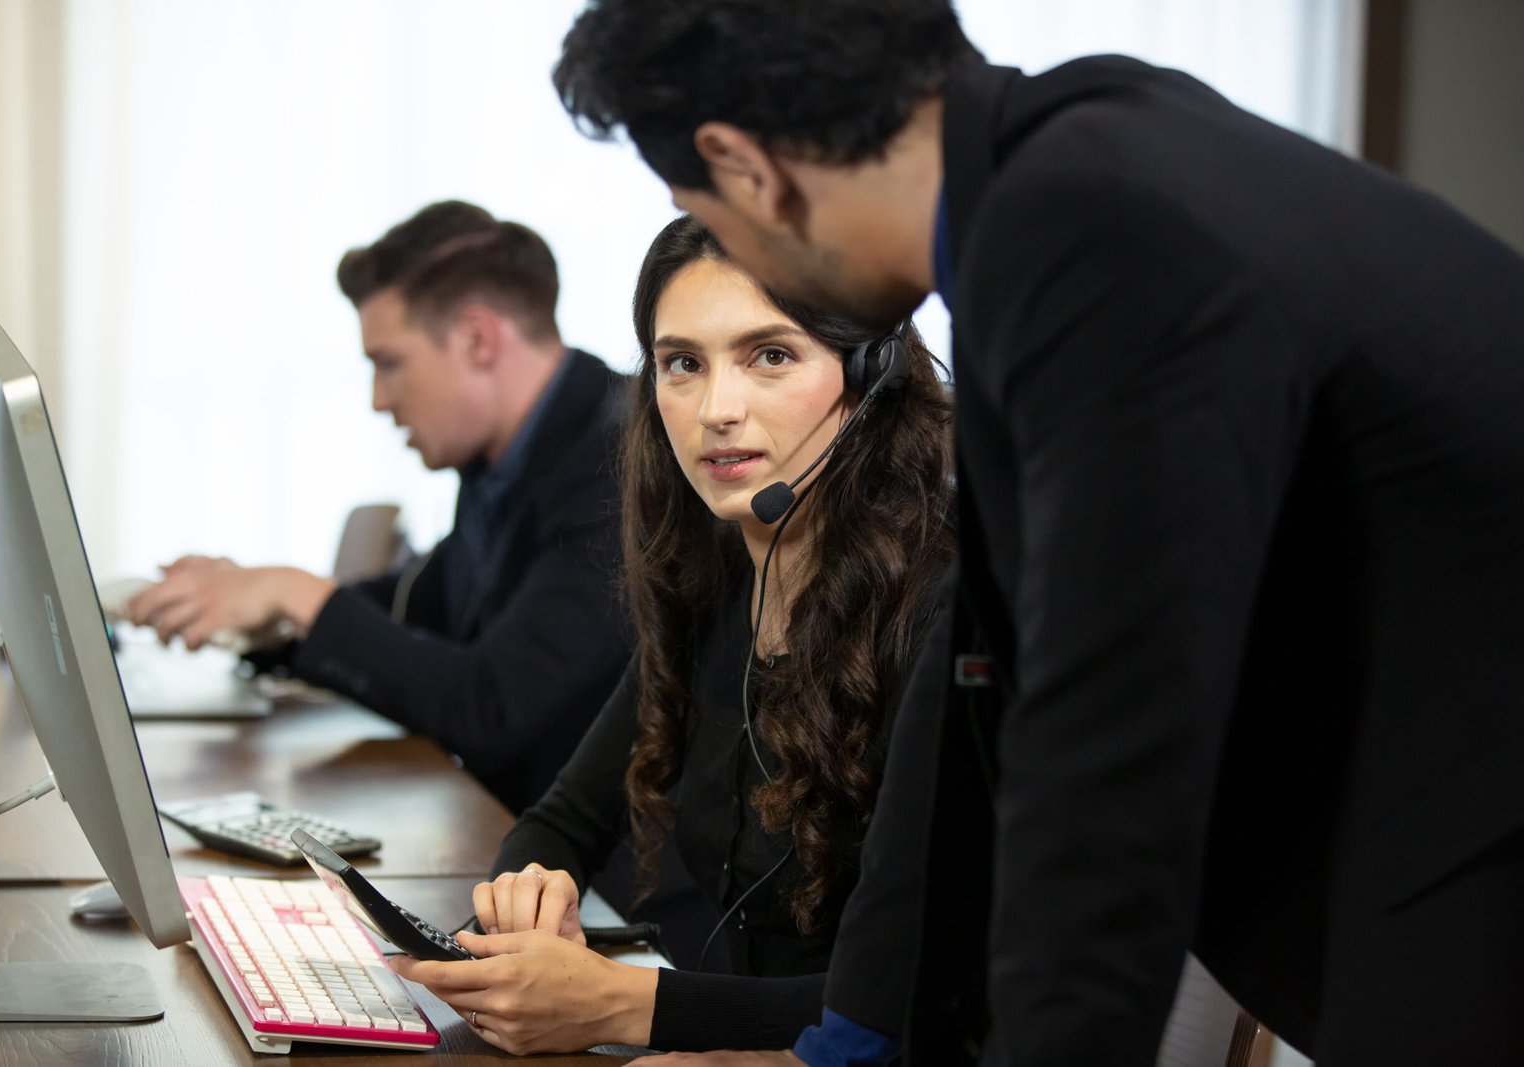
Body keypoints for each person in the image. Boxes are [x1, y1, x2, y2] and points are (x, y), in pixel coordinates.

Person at [550, 2, 1524, 1065]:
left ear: (747, 168)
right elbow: (974, 669)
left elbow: (1108, 757)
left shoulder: (1089, 233)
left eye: (716, 222)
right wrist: (846, 1043)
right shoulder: (1074, 158)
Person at [388, 214, 955, 1056]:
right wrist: (530, 888)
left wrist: (631, 1006)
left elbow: (918, 997)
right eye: (683, 363)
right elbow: (562, 821)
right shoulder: (719, 582)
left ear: (869, 372)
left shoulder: (943, 614)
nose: (717, 409)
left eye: (771, 355)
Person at [126, 201, 632, 814]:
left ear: (477, 339)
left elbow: (495, 708)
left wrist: (297, 593)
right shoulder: (510, 455)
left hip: (606, 887)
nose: (378, 399)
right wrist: (262, 614)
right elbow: (420, 607)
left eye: (389, 363)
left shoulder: (618, 464)